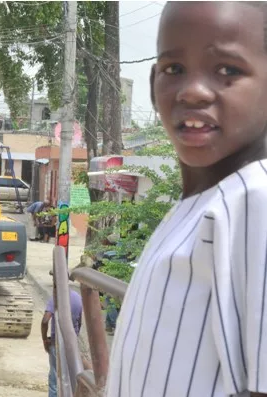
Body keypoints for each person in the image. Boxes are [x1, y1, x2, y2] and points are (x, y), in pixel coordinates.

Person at [106, 3, 267, 396]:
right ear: (151, 82)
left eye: (228, 69)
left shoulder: (255, 200)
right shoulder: (200, 204)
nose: (192, 90)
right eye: (174, 69)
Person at [42, 285, 83, 397]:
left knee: (55, 377)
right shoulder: (77, 297)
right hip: (72, 343)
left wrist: (45, 340)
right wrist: (75, 337)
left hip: (57, 343)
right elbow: (79, 321)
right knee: (70, 376)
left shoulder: (56, 298)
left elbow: (45, 321)